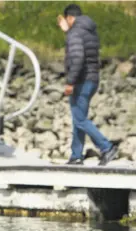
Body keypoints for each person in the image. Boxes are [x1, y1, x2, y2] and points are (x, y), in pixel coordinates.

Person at [57, 4, 118, 165]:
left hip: (82, 81)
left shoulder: (75, 33)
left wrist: (70, 82)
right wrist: (68, 32)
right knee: (79, 117)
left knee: (79, 119)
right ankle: (76, 155)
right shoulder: (89, 30)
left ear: (70, 18)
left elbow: (77, 58)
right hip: (92, 78)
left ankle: (107, 147)